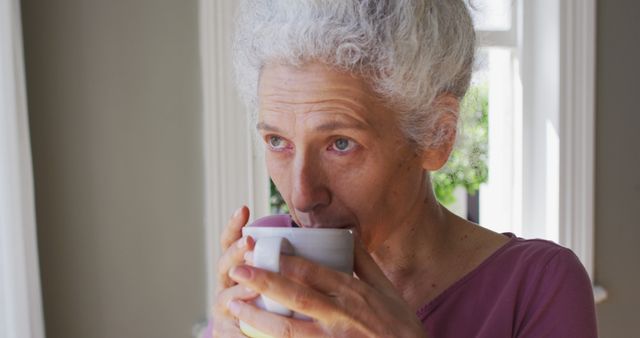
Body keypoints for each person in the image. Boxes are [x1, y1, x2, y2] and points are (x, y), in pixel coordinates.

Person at [211, 0, 598, 337]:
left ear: (436, 135)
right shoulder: (266, 278)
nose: (301, 195)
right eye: (278, 141)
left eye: (341, 144)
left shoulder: (538, 286)